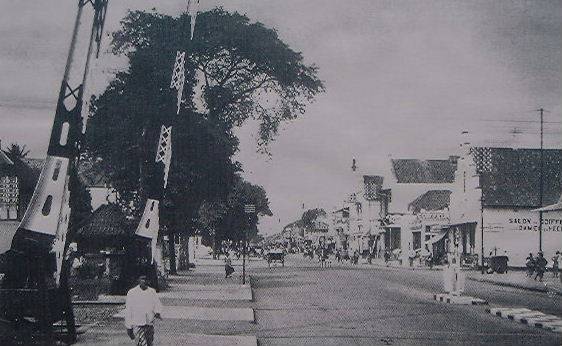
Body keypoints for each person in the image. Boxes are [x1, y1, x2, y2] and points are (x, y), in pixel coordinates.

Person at [125, 275, 163, 346]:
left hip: (149, 323)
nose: (144, 281)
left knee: (149, 343)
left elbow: (157, 304)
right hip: (137, 323)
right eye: (142, 279)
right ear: (138, 280)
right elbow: (128, 310)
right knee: (141, 343)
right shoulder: (132, 293)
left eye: (146, 279)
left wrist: (157, 312)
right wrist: (129, 327)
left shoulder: (152, 292)